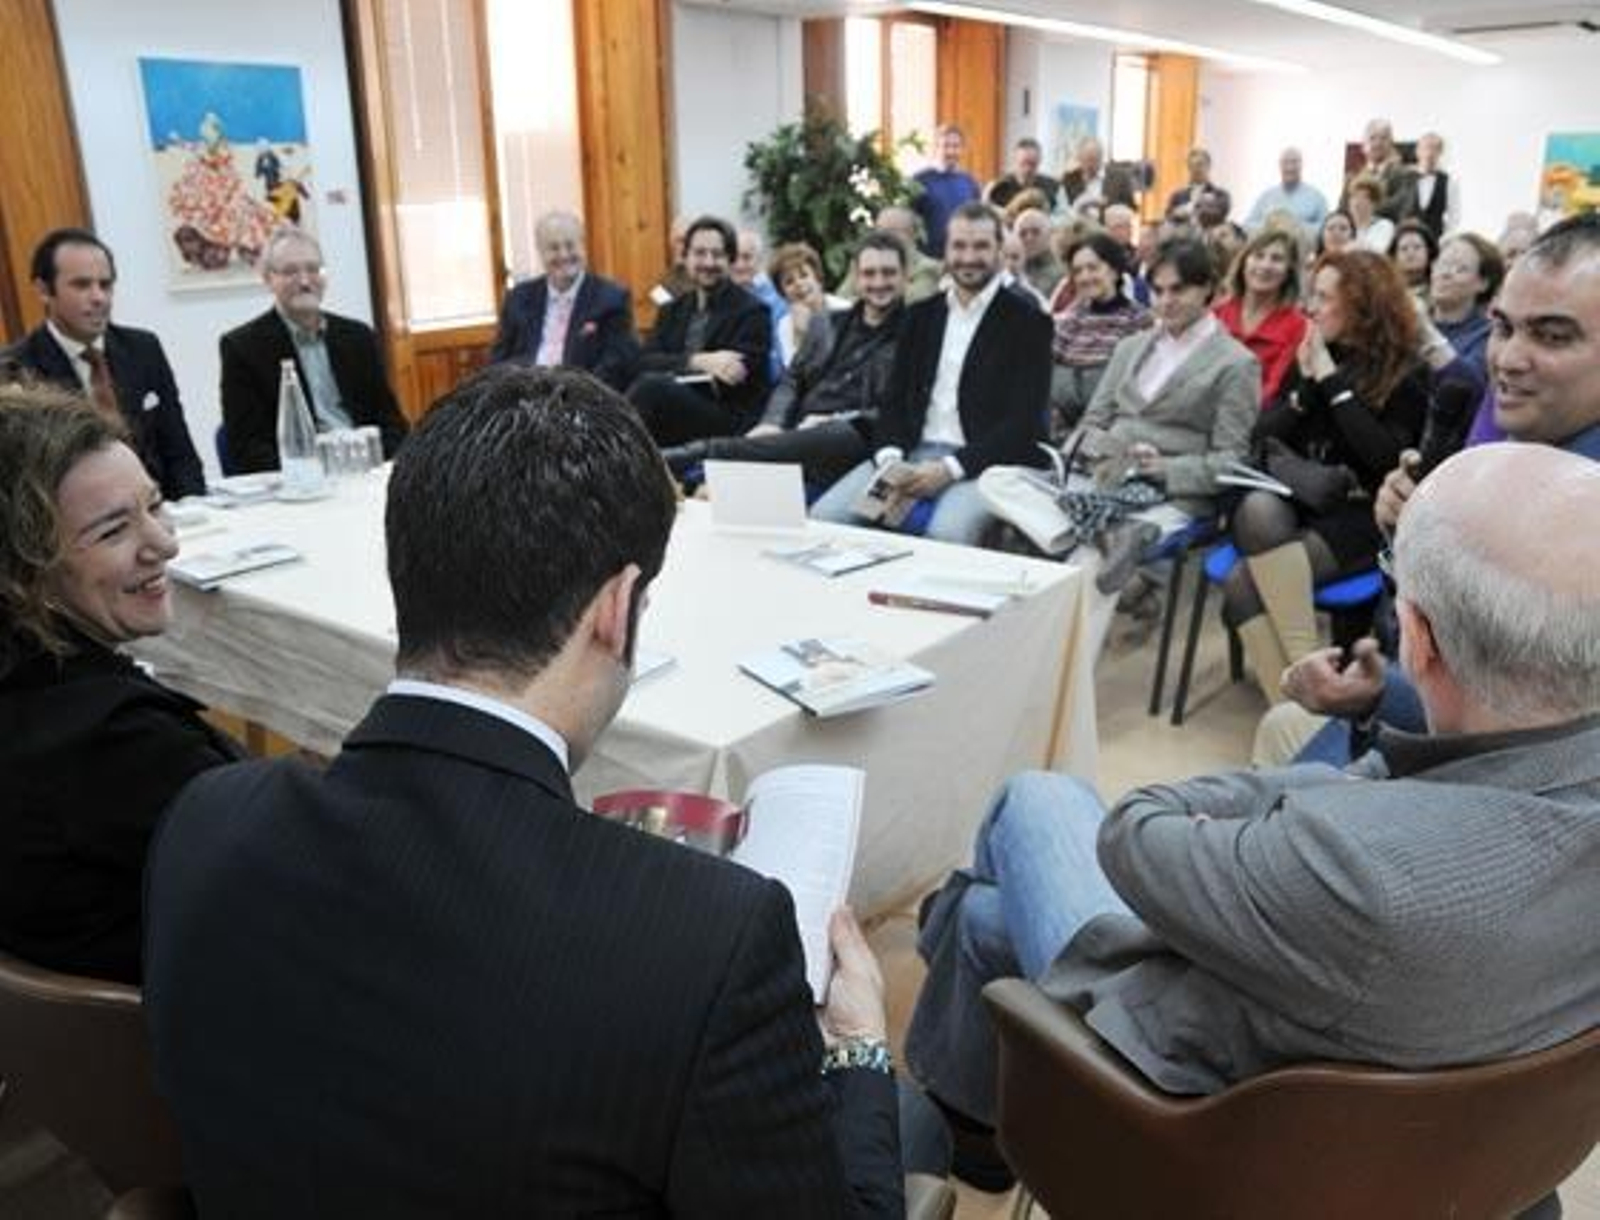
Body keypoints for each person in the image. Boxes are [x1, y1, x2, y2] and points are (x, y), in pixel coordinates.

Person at [143, 364, 903, 1217]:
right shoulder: (712, 941)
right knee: (906, 1125)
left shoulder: (206, 821)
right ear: (617, 608)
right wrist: (859, 1045)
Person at [906, 441, 1600, 1208]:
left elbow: (1135, 830)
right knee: (984, 919)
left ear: (1418, 635)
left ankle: (965, 1092)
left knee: (1033, 803)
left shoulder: (1351, 867)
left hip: (1186, 1135)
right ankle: (967, 1069)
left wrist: (1330, 786)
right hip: (1473, 1170)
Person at [1266, 213, 1600, 767]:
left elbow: (1525, 741)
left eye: (1552, 336)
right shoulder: (1523, 446)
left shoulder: (1579, 509)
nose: (1507, 360)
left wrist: (1379, 695)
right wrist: (1406, 538)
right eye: (1503, 328)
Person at [0, 387, 241, 984]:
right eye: (113, 532)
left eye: (155, 505)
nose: (165, 544)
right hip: (183, 1021)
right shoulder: (107, 741)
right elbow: (311, 872)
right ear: (24, 569)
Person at [979, 237, 1258, 591]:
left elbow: (1231, 462)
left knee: (1085, 572)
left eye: (1178, 290)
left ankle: (1093, 534)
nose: (1166, 301)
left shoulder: (1236, 363)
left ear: (1208, 289)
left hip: (1170, 494)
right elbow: (1095, 418)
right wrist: (1084, 449)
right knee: (995, 480)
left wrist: (1165, 469)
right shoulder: (1132, 347)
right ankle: (1094, 531)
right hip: (1105, 478)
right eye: (1157, 291)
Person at [1222, 249, 1428, 704]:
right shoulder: (1313, 354)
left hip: (1365, 511)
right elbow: (1263, 435)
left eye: (1323, 297)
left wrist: (1332, 382)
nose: (1310, 307)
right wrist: (1304, 390)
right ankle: (1307, 704)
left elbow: (1383, 458)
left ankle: (1307, 701)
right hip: (1308, 497)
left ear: (1362, 305)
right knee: (1257, 510)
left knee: (1241, 585)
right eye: (1311, 295)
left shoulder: (1407, 371)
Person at [811, 201, 1051, 546]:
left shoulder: (1029, 323)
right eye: (959, 246)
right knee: (825, 520)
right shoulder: (921, 316)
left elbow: (1023, 424)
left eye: (981, 246)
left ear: (999, 251)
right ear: (945, 250)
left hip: (983, 464)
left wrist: (949, 468)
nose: (968, 257)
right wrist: (891, 460)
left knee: (946, 536)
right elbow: (894, 401)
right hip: (910, 454)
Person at [660, 231, 908, 490]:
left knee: (748, 450)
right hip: (801, 427)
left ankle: (685, 460)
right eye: (869, 273)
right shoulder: (830, 323)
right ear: (856, 277)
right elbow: (792, 379)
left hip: (852, 433)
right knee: (757, 444)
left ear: (904, 276)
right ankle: (690, 472)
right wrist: (772, 422)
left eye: (888, 273)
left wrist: (839, 418)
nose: (878, 282)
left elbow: (899, 407)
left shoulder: (913, 337)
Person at [1, 228, 205, 500]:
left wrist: (191, 508)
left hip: (158, 506)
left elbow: (180, 452)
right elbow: (27, 483)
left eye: (106, 285)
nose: (99, 297)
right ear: (44, 291)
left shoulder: (143, 348)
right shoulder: (15, 368)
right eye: (81, 285)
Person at [219, 228, 410, 474]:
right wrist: (312, 472)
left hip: (366, 471)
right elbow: (247, 447)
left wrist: (382, 465)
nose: (305, 281)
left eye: (313, 269)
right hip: (301, 479)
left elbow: (392, 423)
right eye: (290, 271)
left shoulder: (358, 337)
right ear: (268, 279)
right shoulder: (242, 348)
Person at [626, 215, 772, 445]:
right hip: (674, 408)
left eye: (717, 254)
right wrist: (697, 361)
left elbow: (736, 377)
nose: (708, 262)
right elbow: (644, 362)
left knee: (652, 389)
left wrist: (673, 368)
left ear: (730, 260)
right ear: (685, 257)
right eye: (700, 253)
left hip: (727, 416)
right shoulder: (672, 310)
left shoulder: (753, 312)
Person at [488, 210, 637, 390]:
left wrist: (570, 395)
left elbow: (617, 364)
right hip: (526, 395)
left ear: (583, 246)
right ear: (540, 252)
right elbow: (499, 360)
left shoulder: (611, 298)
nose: (564, 255)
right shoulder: (518, 298)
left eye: (570, 245)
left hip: (583, 396)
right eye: (553, 248)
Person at [1043, 232, 1153, 439]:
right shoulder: (1069, 321)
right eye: (1078, 271)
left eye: (1093, 268)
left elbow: (1136, 394)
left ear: (1114, 271)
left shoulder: (1139, 322)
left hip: (1111, 436)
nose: (1085, 277)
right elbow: (1047, 381)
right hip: (1060, 436)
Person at [1214, 227, 1309, 406]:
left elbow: (1275, 388)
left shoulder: (1299, 326)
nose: (1265, 266)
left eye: (1277, 259)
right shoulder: (1217, 314)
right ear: (1244, 262)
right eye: (1258, 256)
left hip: (1258, 414)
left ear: (1289, 271)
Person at [1429, 232, 1505, 381]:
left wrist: (1425, 334)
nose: (1445, 273)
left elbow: (1467, 384)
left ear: (1483, 283)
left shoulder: (1487, 335)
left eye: (1460, 269)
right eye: (1442, 264)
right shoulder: (1411, 321)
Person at [836, 205, 942, 304]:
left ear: (912, 235)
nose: (883, 237)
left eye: (891, 231)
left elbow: (911, 301)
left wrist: (862, 293)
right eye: (879, 230)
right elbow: (841, 300)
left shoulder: (928, 267)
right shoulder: (861, 263)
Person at [770, 241, 847, 369]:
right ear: (783, 294)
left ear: (818, 278)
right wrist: (800, 335)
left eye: (804, 275)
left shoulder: (844, 310)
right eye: (789, 282)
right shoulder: (785, 325)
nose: (798, 284)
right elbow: (796, 373)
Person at [911, 124, 981, 257]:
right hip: (929, 257)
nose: (951, 151)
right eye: (946, 145)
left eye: (956, 146)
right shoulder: (920, 180)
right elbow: (910, 219)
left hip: (962, 256)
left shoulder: (970, 182)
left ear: (962, 149)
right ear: (936, 147)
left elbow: (977, 219)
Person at [1244, 146, 1329, 238]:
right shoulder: (1266, 197)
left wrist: (1298, 226)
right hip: (1270, 245)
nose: (1290, 168)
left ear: (1301, 165)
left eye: (1294, 162)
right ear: (1280, 166)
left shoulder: (1317, 197)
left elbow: (1326, 228)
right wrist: (1270, 226)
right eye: (1285, 162)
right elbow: (1247, 225)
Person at [1056, 137, 1137, 213]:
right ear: (1079, 159)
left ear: (1101, 158)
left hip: (1108, 222)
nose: (1089, 165)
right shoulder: (1071, 179)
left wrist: (1114, 212)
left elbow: (1131, 208)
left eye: (1093, 160)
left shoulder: (1119, 178)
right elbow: (1062, 209)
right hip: (1079, 222)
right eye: (1085, 160)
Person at [986, 136, 1059, 211]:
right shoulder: (998, 188)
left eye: (1032, 164)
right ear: (1015, 160)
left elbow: (1062, 214)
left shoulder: (1053, 187)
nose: (1028, 169)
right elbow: (989, 212)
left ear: (1039, 161)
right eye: (1023, 163)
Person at [1407, 131, 1459, 236]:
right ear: (1417, 151)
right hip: (1408, 238)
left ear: (1441, 153)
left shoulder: (1449, 182)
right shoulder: (1404, 178)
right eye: (1426, 148)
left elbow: (1454, 216)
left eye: (1435, 149)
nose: (1430, 153)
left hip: (1436, 239)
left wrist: (1444, 238)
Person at [1165, 147, 1231, 223]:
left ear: (1208, 166)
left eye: (1199, 165)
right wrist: (1176, 214)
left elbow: (1218, 214)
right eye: (1192, 166)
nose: (1196, 169)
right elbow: (1168, 216)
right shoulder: (1177, 196)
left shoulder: (1220, 195)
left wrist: (1192, 209)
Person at [1011, 207, 1064, 301]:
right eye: (1022, 234)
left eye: (1036, 232)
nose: (1029, 238)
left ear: (1050, 234)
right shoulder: (1008, 271)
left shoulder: (1063, 272)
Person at [1389, 218, 1438, 301]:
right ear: (1394, 256)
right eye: (1404, 249)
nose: (1410, 253)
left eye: (1417, 247)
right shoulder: (1386, 291)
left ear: (1429, 252)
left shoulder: (1439, 289)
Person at [1347, 174, 1396, 254]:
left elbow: (1376, 251)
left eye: (1364, 197)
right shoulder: (1344, 227)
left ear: (1374, 203)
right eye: (1355, 196)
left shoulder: (1384, 226)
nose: (1357, 202)